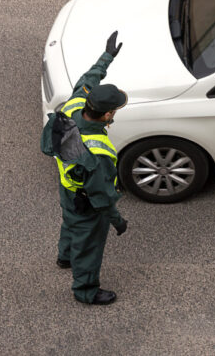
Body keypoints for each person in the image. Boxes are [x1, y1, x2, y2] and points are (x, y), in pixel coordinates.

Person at [41, 31, 128, 305]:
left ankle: (64, 257)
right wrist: (117, 221)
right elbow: (102, 197)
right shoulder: (96, 151)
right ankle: (86, 291)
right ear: (105, 115)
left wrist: (107, 57)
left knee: (70, 223)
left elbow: (88, 80)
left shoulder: (74, 106)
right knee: (89, 245)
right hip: (87, 201)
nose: (115, 114)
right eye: (115, 110)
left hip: (69, 191)